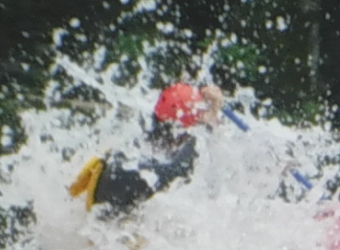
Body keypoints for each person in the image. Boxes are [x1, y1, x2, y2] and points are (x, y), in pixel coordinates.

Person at [69, 82, 226, 214]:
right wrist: (212, 120)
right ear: (183, 133)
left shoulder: (135, 147)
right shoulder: (164, 169)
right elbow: (184, 171)